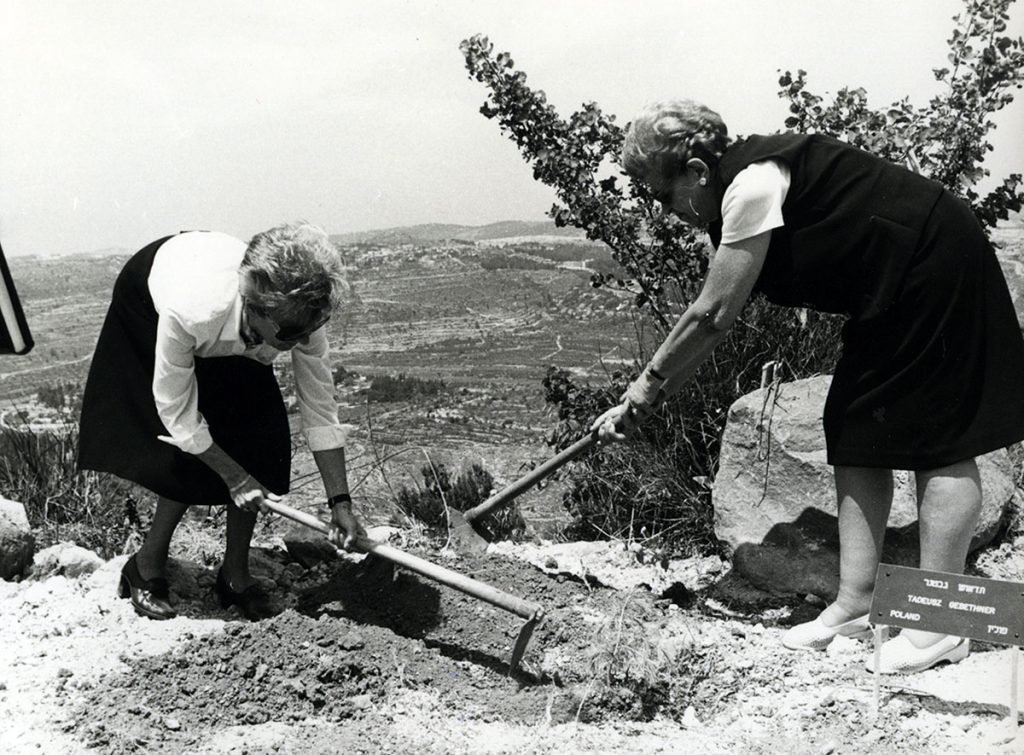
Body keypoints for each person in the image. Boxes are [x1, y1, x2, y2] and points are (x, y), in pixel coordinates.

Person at [592, 100, 1024, 674]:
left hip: (933, 259)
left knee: (939, 440)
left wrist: (644, 392)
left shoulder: (750, 187)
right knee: (853, 426)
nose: (664, 211)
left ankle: (939, 627)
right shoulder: (739, 187)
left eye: (661, 195)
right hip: (886, 283)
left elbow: (714, 313)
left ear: (697, 172)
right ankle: (859, 601)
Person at [78, 222, 366, 621]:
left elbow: (319, 406)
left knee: (259, 433)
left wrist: (341, 503)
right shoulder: (194, 311)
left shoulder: (300, 317)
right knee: (189, 449)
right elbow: (177, 413)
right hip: (149, 296)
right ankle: (145, 565)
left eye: (311, 330)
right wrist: (234, 477)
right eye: (293, 333)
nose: (303, 341)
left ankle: (234, 576)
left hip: (227, 310)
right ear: (257, 306)